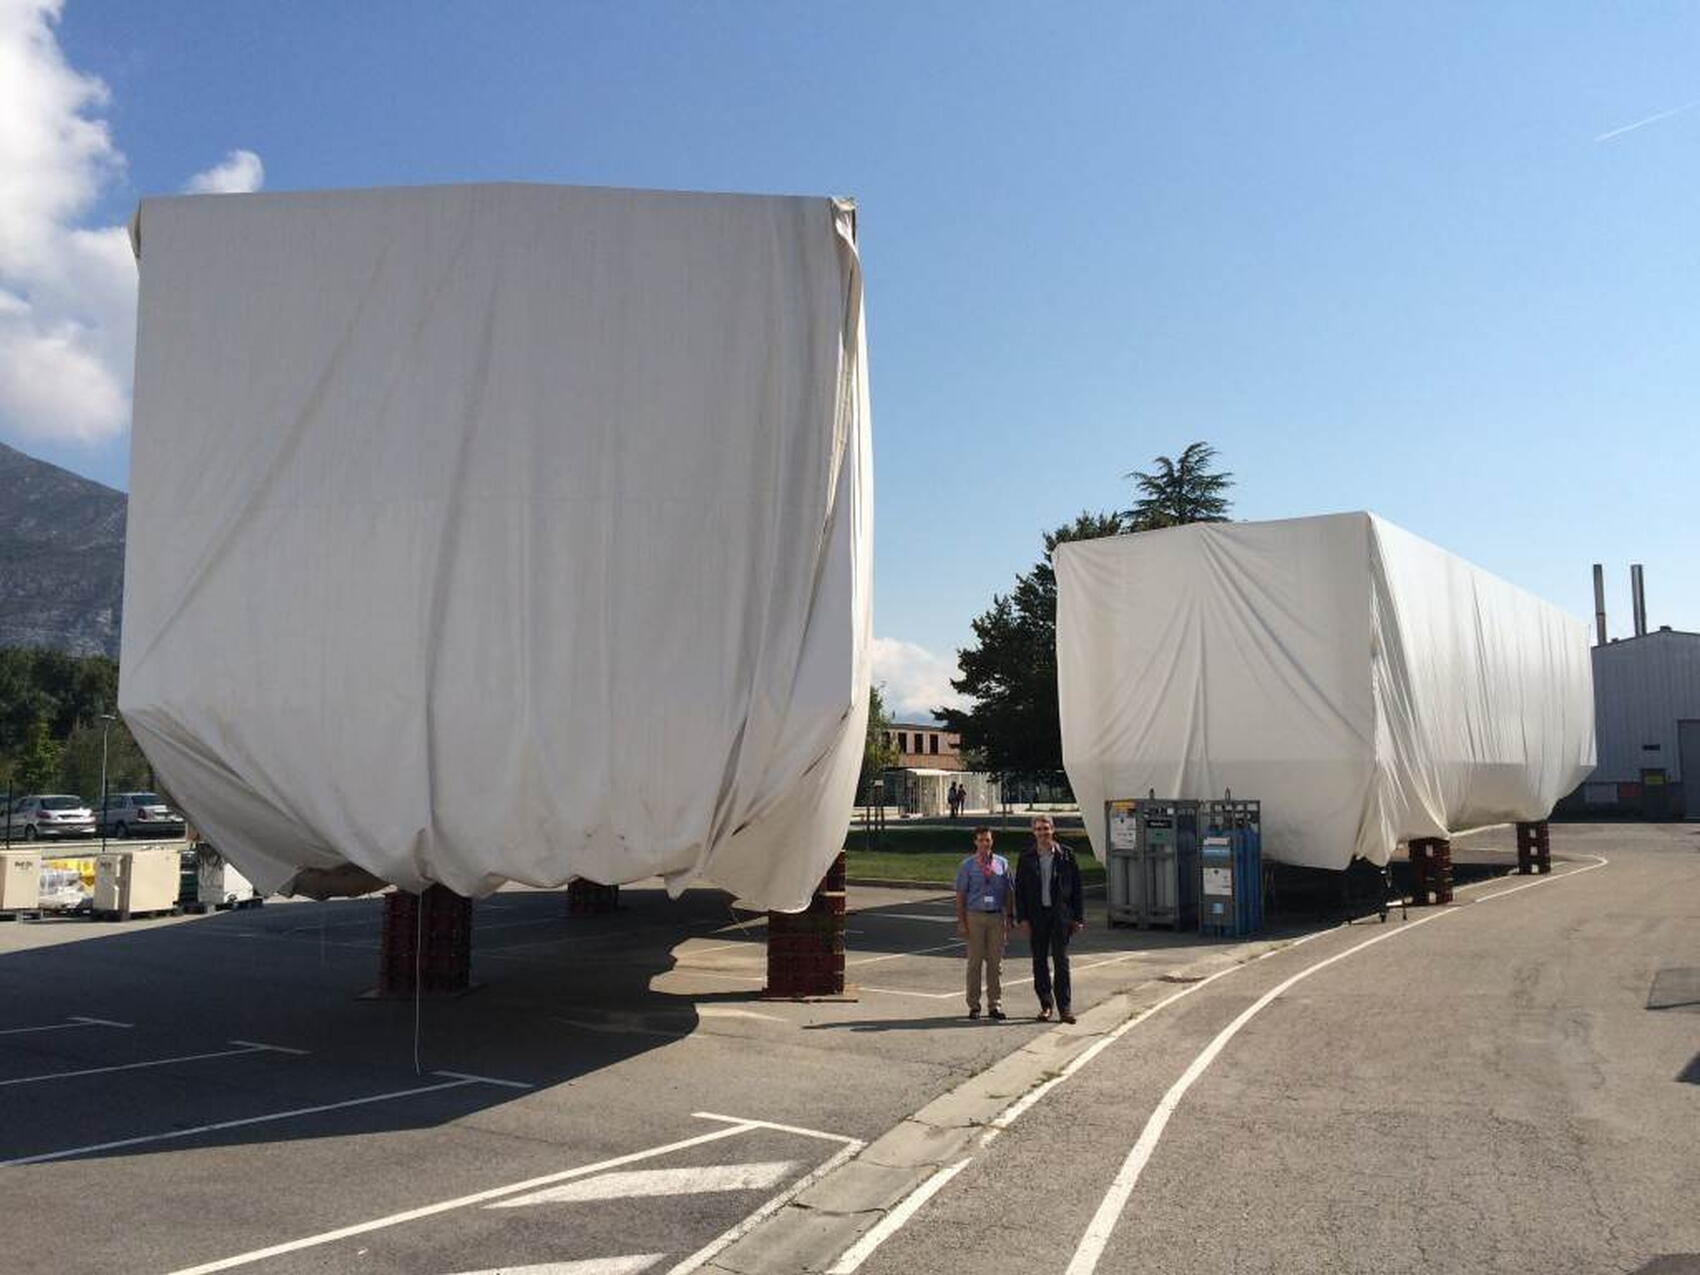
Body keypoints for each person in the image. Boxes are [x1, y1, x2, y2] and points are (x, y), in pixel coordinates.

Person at [1013, 814, 1084, 1023]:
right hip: (1037, 916)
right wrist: (1023, 918)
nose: (1042, 833)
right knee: (1039, 961)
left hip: (1060, 916)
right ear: (1033, 832)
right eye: (1038, 829)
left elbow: (1077, 889)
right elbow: (1020, 890)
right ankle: (1046, 1005)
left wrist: (1077, 917)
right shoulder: (1026, 857)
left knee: (1061, 962)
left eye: (1046, 828)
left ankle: (1065, 1008)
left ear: (1053, 830)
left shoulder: (1066, 855)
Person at [954, 826, 1013, 1020]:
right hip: (975, 916)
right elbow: (961, 895)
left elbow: (1008, 893)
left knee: (995, 964)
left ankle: (994, 1005)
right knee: (974, 963)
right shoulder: (967, 865)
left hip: (996, 917)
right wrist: (962, 922)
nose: (984, 844)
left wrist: (1009, 917)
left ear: (992, 841)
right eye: (980, 840)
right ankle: (974, 1005)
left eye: (987, 840)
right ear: (975, 842)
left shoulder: (1002, 863)